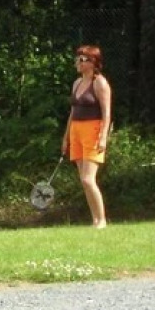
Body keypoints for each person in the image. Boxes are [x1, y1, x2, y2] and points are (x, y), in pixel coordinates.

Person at [61, 44, 113, 228]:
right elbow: (72, 112)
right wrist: (66, 136)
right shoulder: (76, 83)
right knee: (83, 180)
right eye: (78, 59)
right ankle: (95, 220)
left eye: (84, 60)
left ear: (93, 63)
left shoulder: (99, 83)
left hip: (93, 131)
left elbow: (107, 113)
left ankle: (102, 220)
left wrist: (103, 137)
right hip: (76, 130)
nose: (79, 62)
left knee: (88, 179)